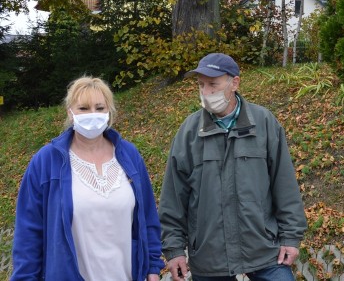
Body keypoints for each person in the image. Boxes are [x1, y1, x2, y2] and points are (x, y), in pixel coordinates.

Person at [159, 53, 307, 281]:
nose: (206, 92)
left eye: (213, 84)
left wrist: (291, 237)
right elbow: (174, 198)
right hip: (209, 256)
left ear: (234, 83)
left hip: (264, 249)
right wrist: (174, 249)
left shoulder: (264, 123)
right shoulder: (189, 132)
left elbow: (284, 184)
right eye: (201, 85)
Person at [11, 76, 164, 281]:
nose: (93, 114)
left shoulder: (129, 155)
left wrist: (152, 266)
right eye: (83, 108)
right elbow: (28, 233)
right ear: (70, 112)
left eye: (99, 108)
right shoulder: (47, 161)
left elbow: (148, 217)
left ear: (108, 112)